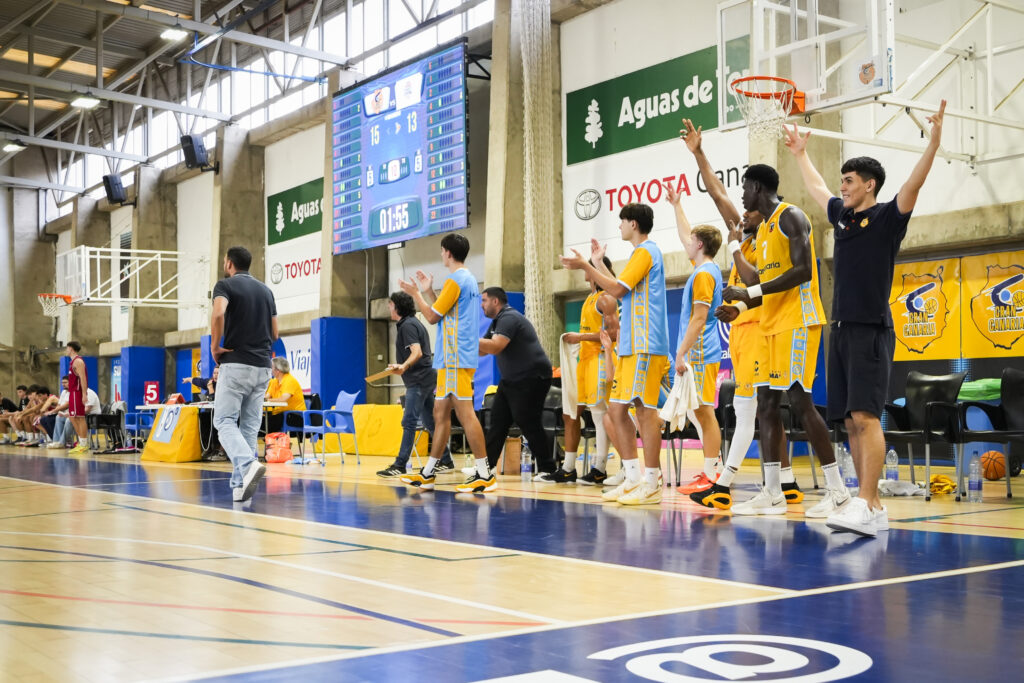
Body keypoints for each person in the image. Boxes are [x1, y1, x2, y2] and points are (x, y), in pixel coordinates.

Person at [783, 101, 947, 536]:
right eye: (843, 180)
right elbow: (819, 190)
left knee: (867, 416)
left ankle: (868, 501)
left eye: (850, 181)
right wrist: (800, 154)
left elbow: (915, 181)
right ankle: (867, 504)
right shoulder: (842, 218)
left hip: (871, 330)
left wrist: (933, 142)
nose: (843, 186)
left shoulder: (888, 217)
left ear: (869, 185)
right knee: (850, 421)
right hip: (839, 330)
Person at [676, 119, 803, 509]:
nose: (738, 215)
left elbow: (762, 283)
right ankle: (787, 480)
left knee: (755, 409)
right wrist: (699, 153)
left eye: (745, 212)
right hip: (746, 330)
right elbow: (716, 192)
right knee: (765, 411)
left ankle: (727, 482)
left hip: (765, 330)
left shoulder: (764, 235)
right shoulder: (747, 233)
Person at [721, 165, 847, 517]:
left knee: (801, 403)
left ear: (757, 187)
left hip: (799, 322)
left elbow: (803, 270)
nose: (742, 196)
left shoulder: (791, 216)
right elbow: (767, 283)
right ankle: (773, 491)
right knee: (766, 403)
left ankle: (838, 492)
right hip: (773, 324)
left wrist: (751, 290)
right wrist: (741, 305)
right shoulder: (761, 231)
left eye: (745, 188)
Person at [561, 203, 671, 506]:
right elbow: (625, 286)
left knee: (646, 413)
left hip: (646, 343)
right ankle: (633, 477)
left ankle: (652, 482)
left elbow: (619, 291)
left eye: (622, 222)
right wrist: (598, 263)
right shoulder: (641, 255)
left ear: (633, 224)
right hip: (631, 345)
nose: (619, 227)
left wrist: (587, 266)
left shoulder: (647, 251)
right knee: (616, 411)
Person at [398, 234, 490, 493]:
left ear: (448, 252)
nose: (440, 255)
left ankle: (484, 473)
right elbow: (447, 309)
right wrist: (428, 290)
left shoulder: (455, 280)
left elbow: (431, 316)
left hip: (455, 357)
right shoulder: (468, 279)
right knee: (440, 414)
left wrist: (416, 293)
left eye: (441, 251)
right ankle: (428, 472)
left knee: (465, 413)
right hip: (455, 357)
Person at [666, 186, 724, 492]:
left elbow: (699, 319)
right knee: (698, 412)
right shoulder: (704, 267)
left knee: (703, 412)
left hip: (700, 353)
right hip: (698, 354)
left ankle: (713, 473)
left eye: (691, 242)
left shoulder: (703, 275)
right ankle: (711, 470)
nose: (686, 243)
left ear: (699, 245)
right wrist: (677, 205)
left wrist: (681, 353)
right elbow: (686, 234)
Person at [211, 246, 278, 503]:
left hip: (236, 362)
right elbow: (275, 333)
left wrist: (215, 346)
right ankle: (240, 487)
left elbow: (218, 313)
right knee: (249, 427)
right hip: (263, 366)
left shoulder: (225, 286)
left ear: (229, 264)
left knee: (224, 422)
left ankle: (249, 465)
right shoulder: (266, 291)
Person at [478, 287, 556, 481]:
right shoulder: (497, 322)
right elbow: (483, 350)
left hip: (532, 376)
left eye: (484, 300)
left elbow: (495, 346)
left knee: (527, 420)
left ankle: (549, 469)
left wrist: (467, 340)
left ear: (496, 301)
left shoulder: (509, 318)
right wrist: (464, 345)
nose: (482, 305)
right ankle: (486, 468)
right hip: (512, 379)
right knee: (497, 422)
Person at [553, 257, 619, 485]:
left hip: (602, 360)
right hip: (587, 361)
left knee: (605, 417)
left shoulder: (606, 298)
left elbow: (614, 334)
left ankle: (601, 467)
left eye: (588, 267)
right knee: (596, 415)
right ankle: (594, 468)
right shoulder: (591, 298)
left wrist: (580, 337)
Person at [377, 291, 454, 478]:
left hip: (419, 380)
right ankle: (445, 459)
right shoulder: (410, 323)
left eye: (390, 304)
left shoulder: (408, 326)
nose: (388, 307)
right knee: (429, 421)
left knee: (409, 421)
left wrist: (403, 366)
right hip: (424, 378)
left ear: (396, 307)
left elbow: (417, 352)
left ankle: (400, 464)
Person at [264, 356, 307, 435]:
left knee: (266, 423)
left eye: (272, 367)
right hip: (280, 413)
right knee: (260, 419)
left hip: (294, 416)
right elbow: (267, 397)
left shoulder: (290, 381)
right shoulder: (274, 382)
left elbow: (283, 399)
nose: (271, 370)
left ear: (278, 370)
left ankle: (273, 443)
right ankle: (271, 442)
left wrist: (268, 400)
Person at [65, 342, 91, 455]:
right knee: (72, 417)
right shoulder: (72, 362)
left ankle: (84, 444)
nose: (66, 350)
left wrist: (84, 394)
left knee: (80, 417)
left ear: (71, 349)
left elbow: (83, 379)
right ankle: (81, 442)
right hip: (72, 392)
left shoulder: (78, 361)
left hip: (77, 392)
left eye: (67, 348)